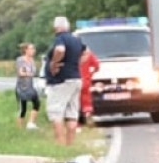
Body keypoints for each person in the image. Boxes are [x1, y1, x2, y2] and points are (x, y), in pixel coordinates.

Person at [44, 16, 83, 145]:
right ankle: (69, 144)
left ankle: (60, 143)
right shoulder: (76, 39)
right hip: (76, 79)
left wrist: (54, 63)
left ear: (56, 27)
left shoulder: (60, 38)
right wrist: (76, 64)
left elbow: (60, 49)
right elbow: (86, 52)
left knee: (56, 111)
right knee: (72, 112)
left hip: (62, 81)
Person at [14, 43, 40, 130]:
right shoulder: (20, 60)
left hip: (30, 87)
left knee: (37, 103)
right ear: (26, 50)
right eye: (32, 49)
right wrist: (29, 74)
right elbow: (20, 73)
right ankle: (19, 129)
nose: (33, 51)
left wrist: (32, 74)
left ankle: (31, 123)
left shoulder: (32, 60)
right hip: (22, 88)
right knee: (23, 109)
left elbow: (34, 72)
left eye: (34, 49)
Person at [79, 44, 100, 126]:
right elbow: (97, 66)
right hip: (86, 80)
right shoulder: (89, 55)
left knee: (75, 102)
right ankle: (88, 115)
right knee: (86, 100)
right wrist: (91, 73)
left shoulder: (73, 54)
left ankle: (78, 122)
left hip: (75, 80)